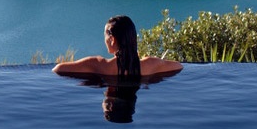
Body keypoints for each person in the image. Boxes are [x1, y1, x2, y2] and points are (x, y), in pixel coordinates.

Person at [52, 15, 183, 78]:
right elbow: (179, 66)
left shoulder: (98, 65)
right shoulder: (150, 64)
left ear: (112, 39)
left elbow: (58, 69)